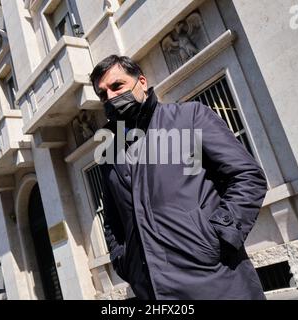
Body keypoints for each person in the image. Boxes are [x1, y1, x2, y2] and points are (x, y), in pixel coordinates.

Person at [90, 55, 268, 300]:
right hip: (151, 290)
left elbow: (246, 176)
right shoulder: (109, 154)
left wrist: (219, 237)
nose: (110, 97)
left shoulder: (189, 118)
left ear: (141, 82)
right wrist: (124, 259)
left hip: (216, 280)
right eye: (102, 94)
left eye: (117, 86)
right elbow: (112, 221)